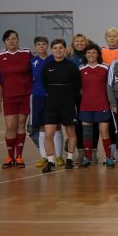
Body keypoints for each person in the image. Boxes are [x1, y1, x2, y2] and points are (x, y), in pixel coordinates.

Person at [0, 30, 33, 168]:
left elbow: (36, 68)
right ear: (4, 42)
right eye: (8, 39)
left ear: (18, 40)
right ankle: (10, 156)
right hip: (9, 97)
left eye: (14, 38)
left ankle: (19, 156)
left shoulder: (26, 53)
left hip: (25, 96)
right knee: (10, 127)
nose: (11, 41)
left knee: (21, 126)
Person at [40, 39, 79, 173]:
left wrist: (70, 100)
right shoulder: (47, 67)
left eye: (61, 48)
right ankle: (51, 161)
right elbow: (45, 85)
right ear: (52, 50)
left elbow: (77, 86)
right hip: (51, 105)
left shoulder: (72, 67)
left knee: (71, 134)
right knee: (48, 134)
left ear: (65, 50)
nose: (58, 50)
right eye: (55, 48)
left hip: (68, 105)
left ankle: (69, 159)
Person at [78, 45, 112, 167]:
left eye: (93, 52)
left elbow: (109, 86)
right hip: (86, 106)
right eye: (88, 53)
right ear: (85, 54)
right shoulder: (81, 69)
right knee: (87, 133)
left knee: (104, 131)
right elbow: (79, 88)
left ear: (98, 54)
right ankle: (87, 158)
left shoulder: (105, 68)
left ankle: (109, 158)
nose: (91, 55)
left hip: (102, 105)